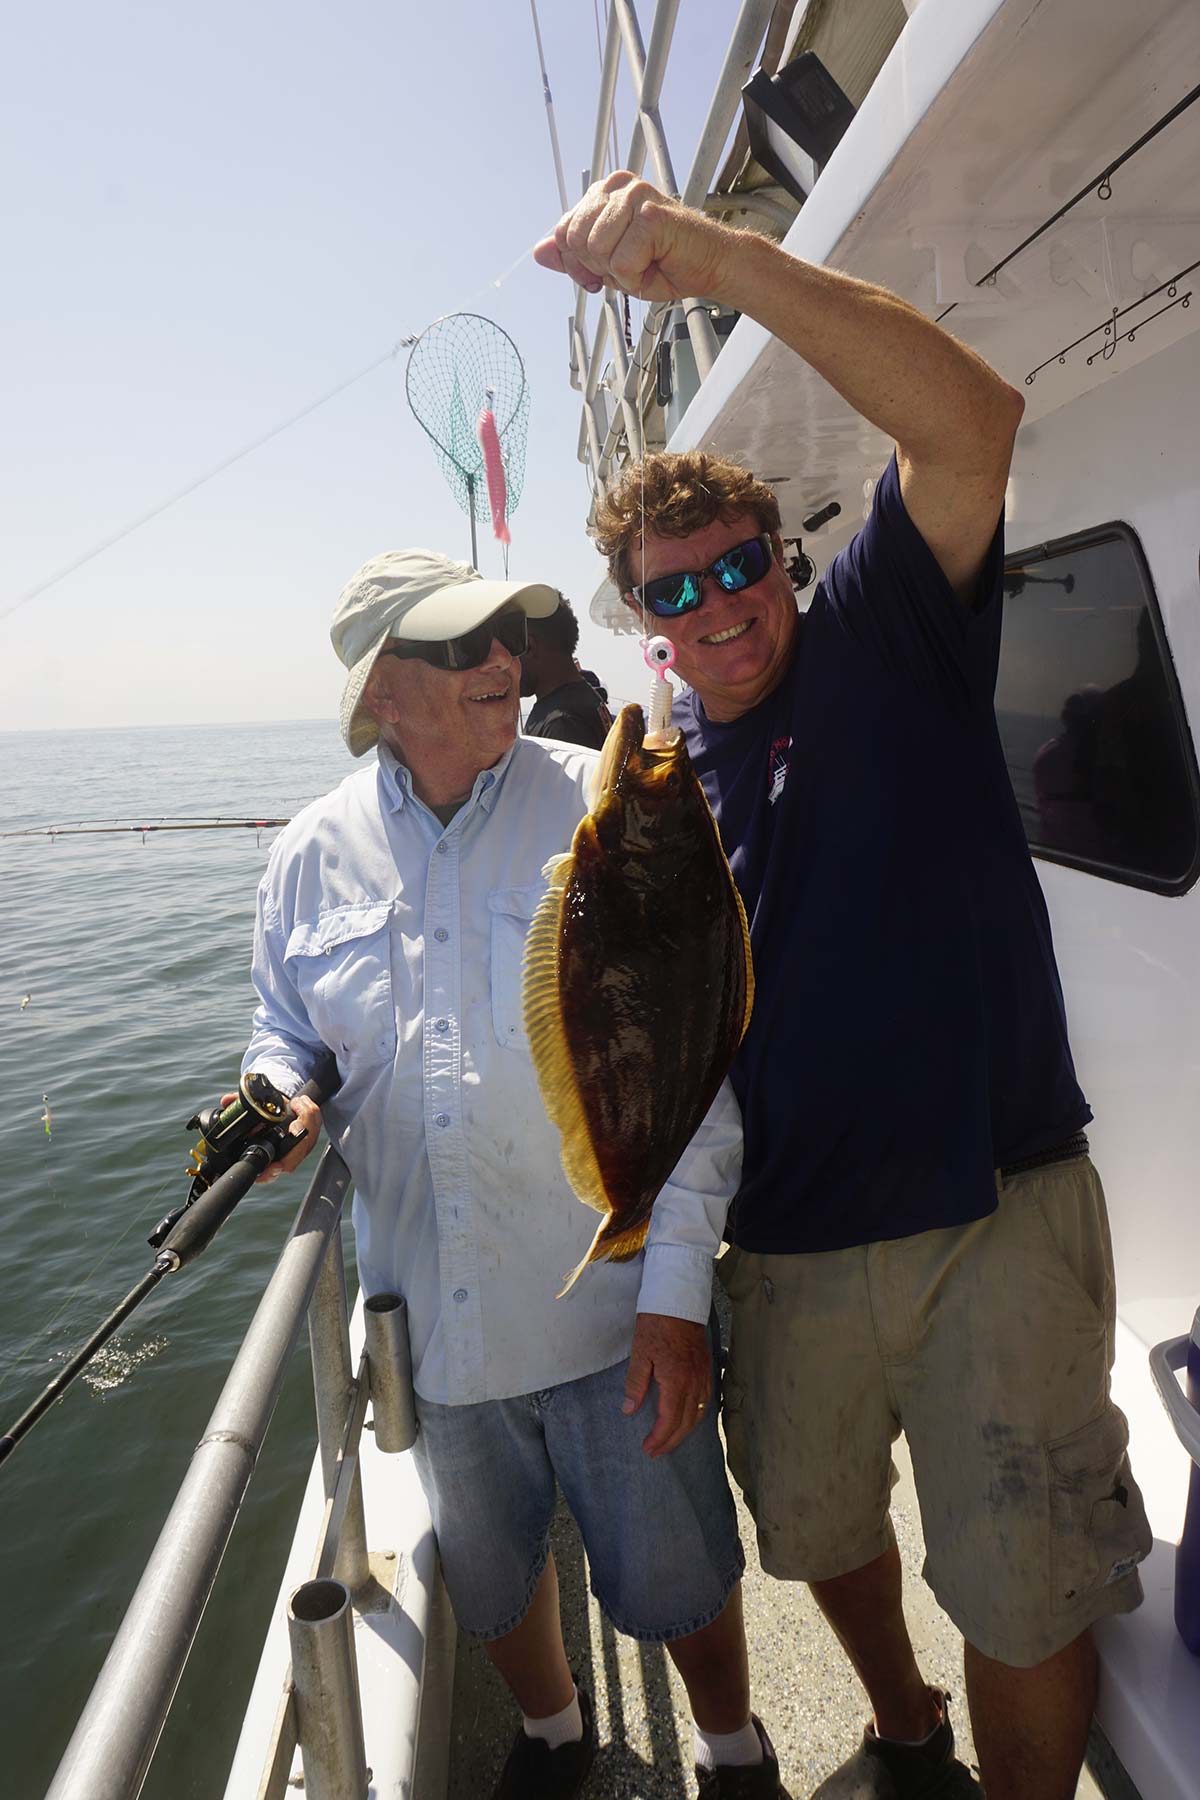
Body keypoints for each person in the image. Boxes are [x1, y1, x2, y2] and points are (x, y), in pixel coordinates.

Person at [535, 174, 1153, 1800]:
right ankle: (899, 1731)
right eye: (672, 593)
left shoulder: (886, 631)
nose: (719, 606)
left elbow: (974, 424)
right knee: (814, 1529)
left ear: (777, 559)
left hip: (990, 1208)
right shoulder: (662, 782)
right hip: (785, 1251)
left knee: (1023, 1589)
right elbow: (653, 1042)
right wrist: (670, 1280)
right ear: (645, 624)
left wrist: (721, 263)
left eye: (736, 566)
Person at [240, 547, 786, 1800]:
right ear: (386, 691)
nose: (501, 661)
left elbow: (689, 1061)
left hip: (612, 1308)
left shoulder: (604, 805)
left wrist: (676, 1296)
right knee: (492, 1576)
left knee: (680, 1568)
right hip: (436, 1320)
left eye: (506, 636)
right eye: (459, 646)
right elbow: (282, 1025)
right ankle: (552, 1734)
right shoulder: (309, 856)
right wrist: (276, 1095)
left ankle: (732, 1746)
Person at [521, 592, 614, 748]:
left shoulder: (561, 723)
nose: (503, 664)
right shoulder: (584, 697)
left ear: (530, 647)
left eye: (511, 650)